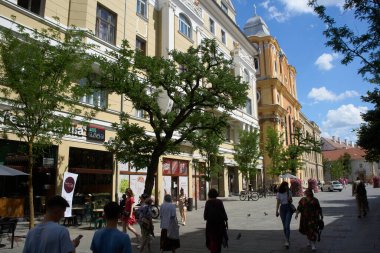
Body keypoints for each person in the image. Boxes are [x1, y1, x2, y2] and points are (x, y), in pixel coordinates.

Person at [204, 188, 228, 253]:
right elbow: (224, 213)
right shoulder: (219, 202)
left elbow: (205, 216)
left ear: (209, 195)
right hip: (219, 226)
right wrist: (225, 220)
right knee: (218, 242)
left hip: (210, 226)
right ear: (216, 194)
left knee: (212, 241)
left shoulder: (208, 203)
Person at [275, 181, 293, 248]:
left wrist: (290, 199)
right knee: (284, 226)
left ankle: (287, 241)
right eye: (286, 185)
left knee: (287, 225)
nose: (287, 187)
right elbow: (278, 203)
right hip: (282, 209)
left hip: (288, 208)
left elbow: (291, 201)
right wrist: (276, 211)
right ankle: (286, 238)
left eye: (287, 185)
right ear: (283, 186)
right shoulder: (279, 193)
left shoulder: (289, 192)